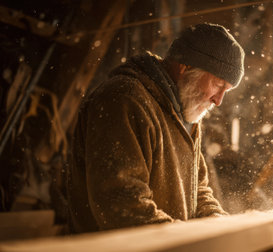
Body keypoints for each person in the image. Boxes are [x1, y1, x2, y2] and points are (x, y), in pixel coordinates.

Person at [67, 23, 245, 233]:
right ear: (186, 66)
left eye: (227, 90)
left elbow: (198, 190)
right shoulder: (124, 101)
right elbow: (123, 206)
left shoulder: (185, 111)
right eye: (218, 84)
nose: (219, 101)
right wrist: (187, 242)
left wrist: (217, 222)